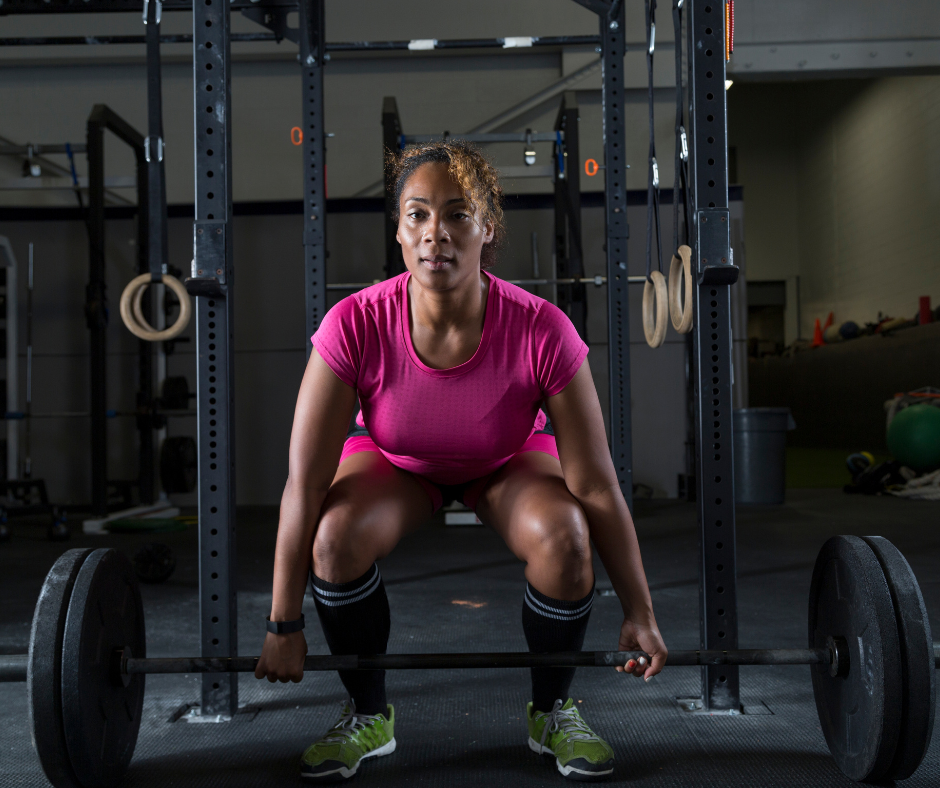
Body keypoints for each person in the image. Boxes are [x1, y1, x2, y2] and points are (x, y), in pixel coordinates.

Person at [255, 140, 667, 782]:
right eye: (417, 215)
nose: (435, 234)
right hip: (395, 459)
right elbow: (304, 485)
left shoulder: (542, 329)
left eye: (457, 215)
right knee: (333, 539)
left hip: (507, 457)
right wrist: (283, 621)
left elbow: (597, 484)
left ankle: (553, 711)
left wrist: (640, 613)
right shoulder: (355, 324)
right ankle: (367, 714)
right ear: (398, 232)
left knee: (567, 537)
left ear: (487, 228)